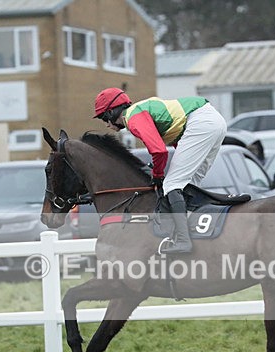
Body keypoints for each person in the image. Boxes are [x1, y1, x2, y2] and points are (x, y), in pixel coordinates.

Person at [93, 88, 227, 254]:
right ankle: (197, 233)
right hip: (214, 121)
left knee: (172, 184)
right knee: (188, 184)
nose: (106, 124)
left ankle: (184, 241)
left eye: (104, 117)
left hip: (201, 122)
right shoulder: (141, 111)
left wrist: (157, 175)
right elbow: (178, 142)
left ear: (112, 112)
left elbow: (159, 151)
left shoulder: (133, 118)